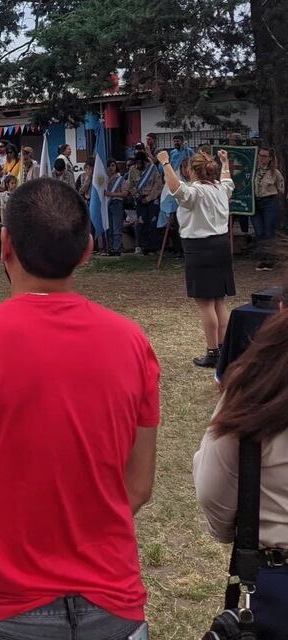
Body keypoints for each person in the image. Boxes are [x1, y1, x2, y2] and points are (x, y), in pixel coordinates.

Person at [0, 177, 159, 640]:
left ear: (4, 243)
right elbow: (139, 486)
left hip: (5, 605)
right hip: (114, 602)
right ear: (87, 250)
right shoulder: (132, 342)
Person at [193, 275, 288, 640]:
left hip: (276, 583)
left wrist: (232, 532)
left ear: (279, 308)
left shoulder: (255, 383)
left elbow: (212, 488)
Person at [158, 148, 235, 368]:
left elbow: (175, 188)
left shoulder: (195, 193)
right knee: (220, 301)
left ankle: (213, 352)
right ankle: (224, 349)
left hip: (199, 248)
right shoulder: (220, 189)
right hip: (221, 245)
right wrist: (225, 161)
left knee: (205, 304)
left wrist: (165, 163)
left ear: (193, 171)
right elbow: (228, 180)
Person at [254, 147, 285, 271]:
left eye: (265, 156)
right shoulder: (253, 171)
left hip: (269, 202)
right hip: (255, 203)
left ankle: (270, 259)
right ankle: (262, 258)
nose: (262, 158)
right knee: (259, 231)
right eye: (260, 155)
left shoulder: (275, 173)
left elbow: (281, 189)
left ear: (270, 158)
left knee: (269, 230)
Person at [129, 145, 163, 256]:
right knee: (141, 224)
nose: (138, 165)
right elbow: (130, 185)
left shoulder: (152, 169)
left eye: (140, 163)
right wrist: (138, 196)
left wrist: (149, 198)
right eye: (137, 163)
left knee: (152, 223)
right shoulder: (132, 170)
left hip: (152, 200)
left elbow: (157, 185)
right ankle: (144, 247)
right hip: (140, 199)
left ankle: (154, 247)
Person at [105, 161, 128, 257]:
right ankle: (110, 248)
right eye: (109, 166)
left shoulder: (120, 179)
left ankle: (116, 248)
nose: (111, 168)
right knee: (109, 227)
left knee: (116, 227)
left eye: (112, 165)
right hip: (107, 204)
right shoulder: (104, 179)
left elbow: (125, 193)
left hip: (116, 203)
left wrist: (112, 194)